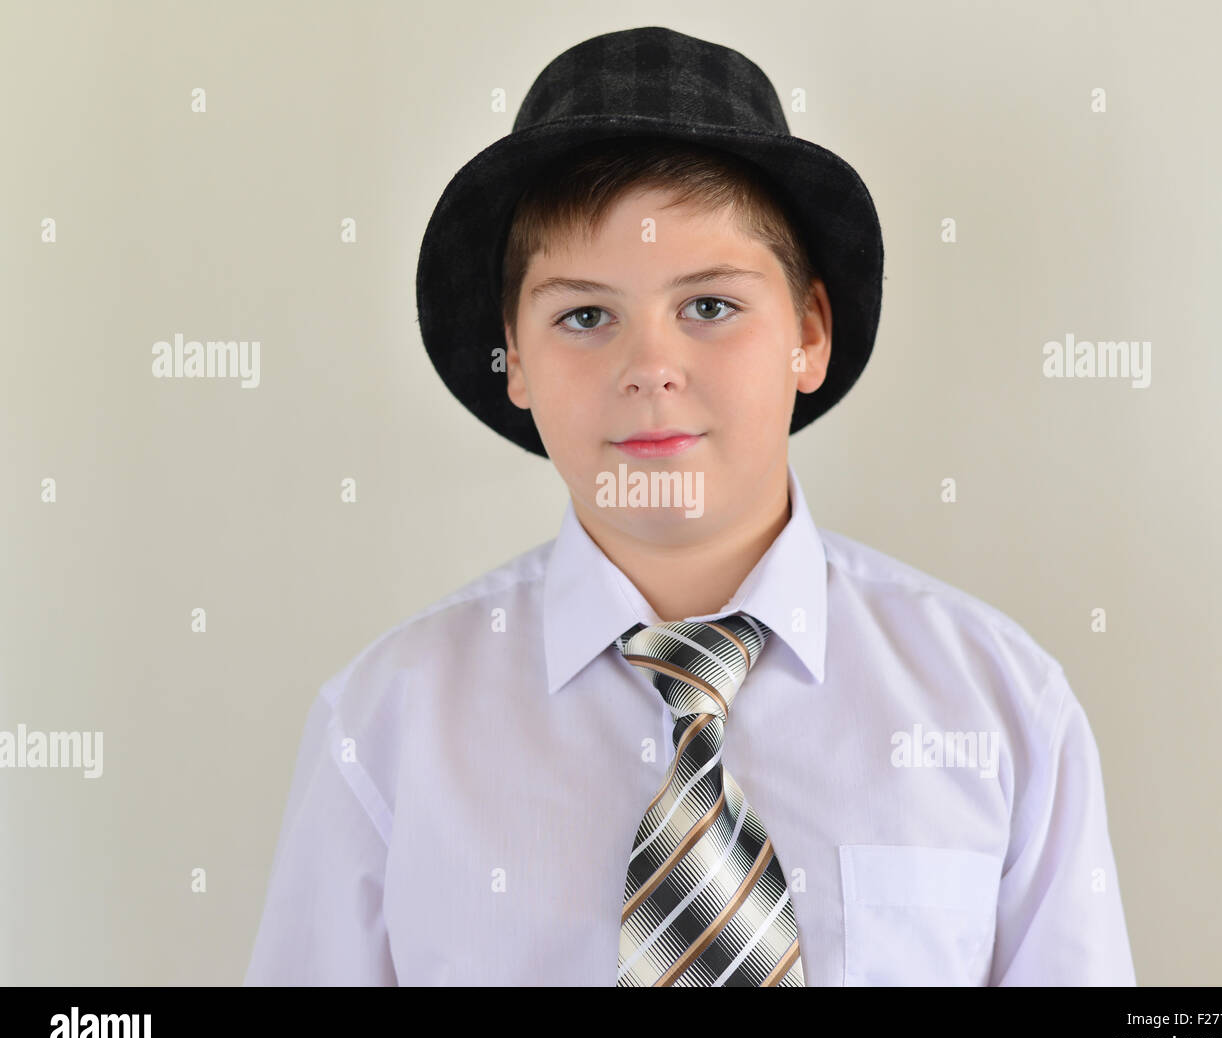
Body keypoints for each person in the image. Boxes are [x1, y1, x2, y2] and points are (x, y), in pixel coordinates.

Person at [243, 25, 1136, 986]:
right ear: (516, 360)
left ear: (808, 332)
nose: (650, 370)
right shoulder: (386, 728)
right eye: (585, 316)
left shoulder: (999, 707)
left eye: (709, 305)